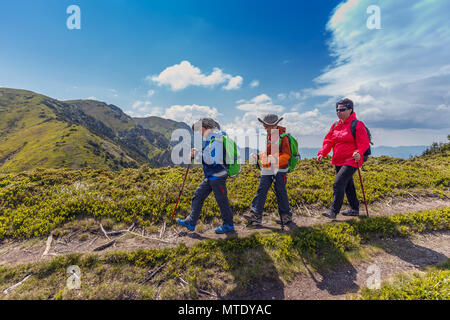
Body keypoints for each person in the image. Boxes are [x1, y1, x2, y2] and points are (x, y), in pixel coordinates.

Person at [176, 118, 235, 234]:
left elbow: (213, 160)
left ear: (207, 127)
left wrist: (197, 154)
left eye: (199, 129)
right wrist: (199, 151)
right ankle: (191, 222)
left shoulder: (216, 138)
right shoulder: (211, 138)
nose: (198, 132)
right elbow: (209, 153)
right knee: (198, 195)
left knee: (221, 200)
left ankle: (228, 224)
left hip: (217, 175)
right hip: (211, 175)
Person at [317, 98, 370, 219]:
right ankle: (354, 209)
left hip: (352, 159)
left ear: (350, 110)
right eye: (337, 110)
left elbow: (364, 142)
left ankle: (333, 211)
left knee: (339, 183)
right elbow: (329, 141)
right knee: (347, 184)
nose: (338, 112)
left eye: (342, 109)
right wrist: (322, 153)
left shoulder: (357, 124)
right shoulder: (335, 125)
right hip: (338, 159)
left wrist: (359, 152)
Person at [243, 114, 293, 225]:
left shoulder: (283, 137)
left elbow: (287, 155)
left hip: (280, 168)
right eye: (264, 126)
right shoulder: (270, 135)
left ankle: (286, 216)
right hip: (268, 167)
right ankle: (255, 214)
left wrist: (274, 159)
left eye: (267, 126)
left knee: (280, 191)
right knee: (262, 189)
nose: (265, 128)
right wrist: (259, 155)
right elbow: (268, 152)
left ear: (274, 125)